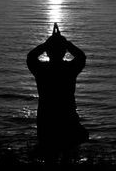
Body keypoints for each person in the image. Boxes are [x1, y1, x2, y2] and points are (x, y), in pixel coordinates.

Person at [27, 23, 88, 159]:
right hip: (67, 116)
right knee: (69, 155)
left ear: (48, 52)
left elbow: (31, 57)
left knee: (50, 157)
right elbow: (81, 57)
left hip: (46, 118)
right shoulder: (69, 70)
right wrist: (66, 43)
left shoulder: (41, 70)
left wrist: (45, 45)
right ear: (64, 52)